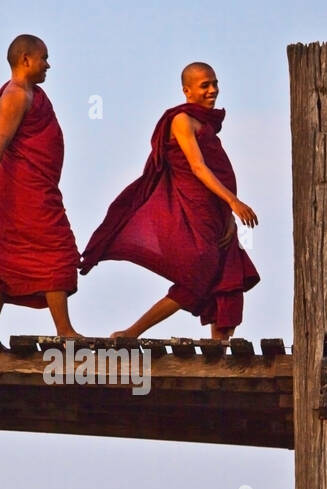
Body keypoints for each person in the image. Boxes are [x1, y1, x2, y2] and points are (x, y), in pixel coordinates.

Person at [79, 63, 260, 340]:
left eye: (215, 83)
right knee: (198, 275)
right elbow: (198, 168)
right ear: (187, 90)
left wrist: (229, 216)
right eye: (205, 85)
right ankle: (131, 333)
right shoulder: (181, 120)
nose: (213, 90)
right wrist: (235, 202)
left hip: (218, 216)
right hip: (195, 212)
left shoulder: (207, 125)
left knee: (228, 280)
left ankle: (219, 349)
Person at [0, 35, 80, 341]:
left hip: (36, 185)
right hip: (25, 189)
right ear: (26, 59)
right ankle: (64, 330)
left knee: (8, 254)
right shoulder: (15, 94)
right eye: (44, 58)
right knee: (57, 247)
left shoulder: (32, 93)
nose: (48, 65)